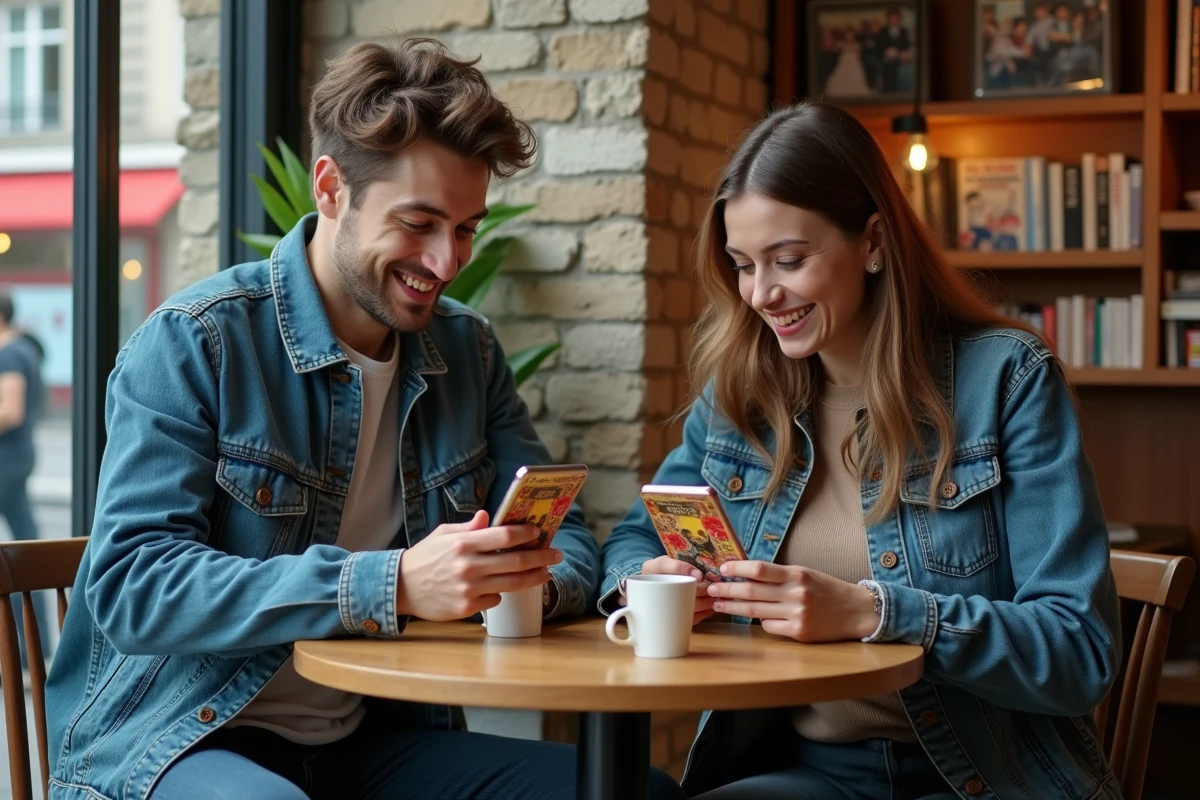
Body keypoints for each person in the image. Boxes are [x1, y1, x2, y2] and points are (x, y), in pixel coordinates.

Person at [46, 38, 683, 800]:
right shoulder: (198, 342)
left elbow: (566, 532)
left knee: (635, 792)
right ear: (330, 188)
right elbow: (133, 585)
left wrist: (521, 584)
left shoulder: (468, 353)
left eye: (466, 229)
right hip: (177, 739)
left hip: (369, 739)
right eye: (418, 223)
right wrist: (393, 583)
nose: (446, 262)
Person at [599, 101, 1121, 799]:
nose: (761, 294)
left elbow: (1078, 650)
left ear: (873, 241)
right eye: (743, 265)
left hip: (985, 778)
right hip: (807, 770)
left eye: (789, 260)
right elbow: (634, 537)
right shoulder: (741, 395)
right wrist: (650, 580)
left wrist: (875, 613)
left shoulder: (1006, 380)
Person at [0, 291, 49, 666]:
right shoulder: (22, 350)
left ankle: (31, 646)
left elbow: (10, 411)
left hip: (6, 462)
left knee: (18, 555)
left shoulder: (11, 354)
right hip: (15, 461)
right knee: (22, 551)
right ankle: (36, 646)